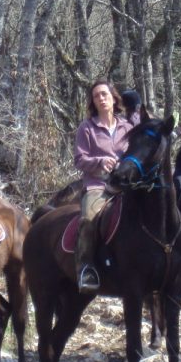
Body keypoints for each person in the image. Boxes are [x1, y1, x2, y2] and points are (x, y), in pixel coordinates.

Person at [74, 80, 132, 293]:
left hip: (127, 185)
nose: (101, 98)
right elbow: (79, 160)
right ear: (93, 101)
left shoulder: (127, 127)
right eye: (96, 96)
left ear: (113, 98)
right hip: (98, 185)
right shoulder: (87, 128)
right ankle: (86, 268)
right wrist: (100, 161)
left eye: (104, 94)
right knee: (89, 219)